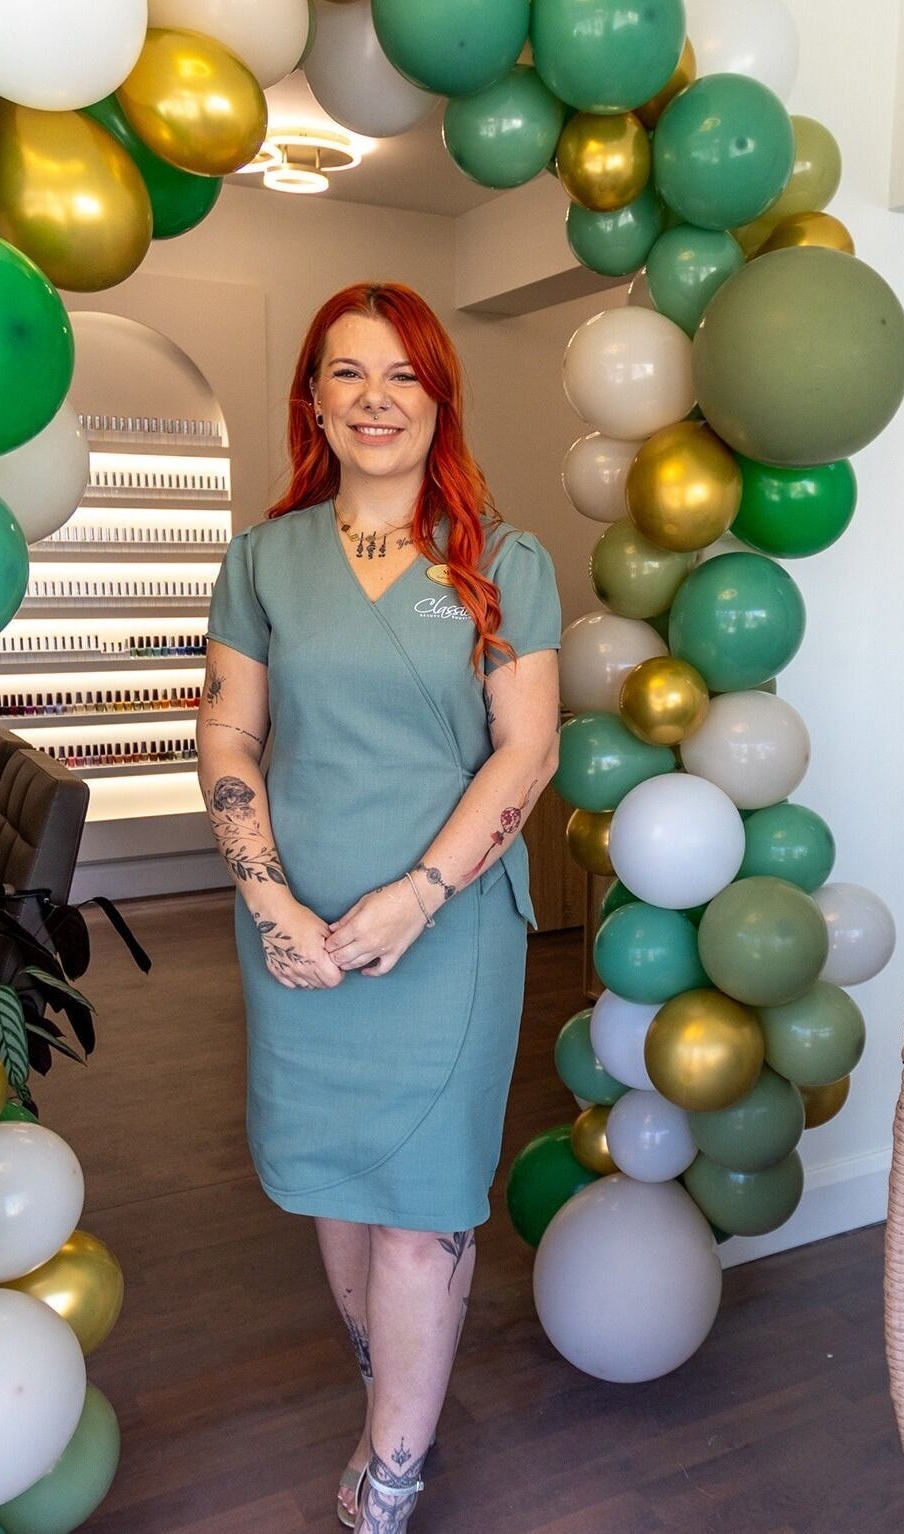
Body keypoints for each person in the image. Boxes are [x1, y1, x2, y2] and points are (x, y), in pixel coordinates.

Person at [196, 282, 561, 1533]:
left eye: (402, 374)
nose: (374, 399)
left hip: (446, 929)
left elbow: (525, 753)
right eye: (348, 374)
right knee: (339, 1187)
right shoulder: (262, 559)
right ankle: (387, 1379)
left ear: (439, 395)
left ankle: (392, 1467)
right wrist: (267, 898)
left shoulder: (504, 563)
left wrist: (419, 893)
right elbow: (230, 732)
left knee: (423, 1204)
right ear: (312, 399)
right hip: (293, 927)